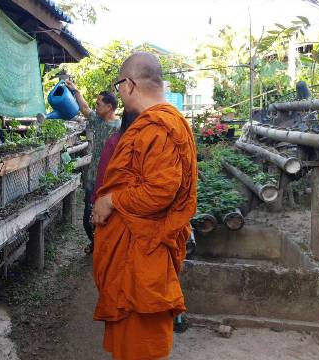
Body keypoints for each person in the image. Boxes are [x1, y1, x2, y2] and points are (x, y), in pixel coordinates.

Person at [91, 52, 198, 360]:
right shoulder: (159, 123)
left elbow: (159, 192)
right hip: (134, 250)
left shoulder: (158, 127)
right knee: (129, 344)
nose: (120, 91)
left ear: (129, 85)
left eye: (119, 84)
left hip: (143, 252)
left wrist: (111, 199)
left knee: (142, 346)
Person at [64, 79, 121, 254]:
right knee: (88, 217)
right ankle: (96, 244)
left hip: (110, 181)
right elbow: (85, 108)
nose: (95, 106)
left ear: (109, 107)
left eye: (99, 103)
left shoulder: (121, 128)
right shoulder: (98, 120)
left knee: (108, 218)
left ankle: (107, 249)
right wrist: (75, 90)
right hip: (93, 178)